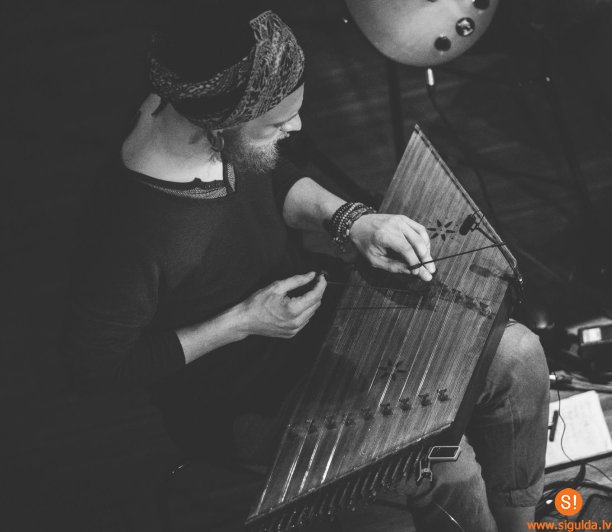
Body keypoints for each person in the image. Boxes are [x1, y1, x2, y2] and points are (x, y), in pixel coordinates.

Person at [64, 5, 549, 531]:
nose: (295, 127)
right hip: (238, 396)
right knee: (447, 464)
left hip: (318, 318)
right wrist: (244, 321)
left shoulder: (194, 104)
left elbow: (270, 176)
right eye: (276, 123)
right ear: (217, 128)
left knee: (519, 353)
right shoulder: (128, 235)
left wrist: (350, 220)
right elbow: (97, 367)